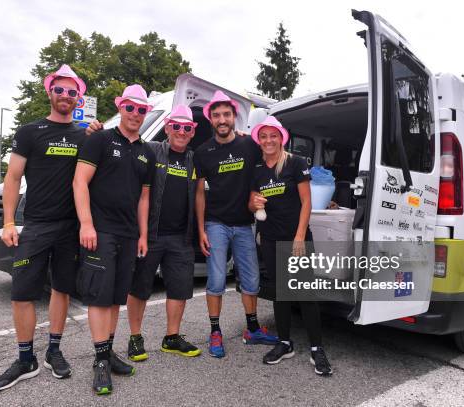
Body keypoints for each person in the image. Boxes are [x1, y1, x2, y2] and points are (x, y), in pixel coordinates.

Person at [0, 64, 86, 391]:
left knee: (62, 289)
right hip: (35, 225)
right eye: (59, 89)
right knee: (22, 292)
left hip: (69, 228)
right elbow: (13, 178)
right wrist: (7, 221)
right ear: (50, 92)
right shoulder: (29, 132)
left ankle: (54, 351)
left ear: (78, 97)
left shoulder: (84, 135)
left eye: (71, 91)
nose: (65, 95)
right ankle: (25, 358)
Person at [86, 105, 202, 361]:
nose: (181, 132)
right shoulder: (151, 150)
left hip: (182, 236)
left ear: (193, 132)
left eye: (187, 128)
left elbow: (203, 190)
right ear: (168, 128)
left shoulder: (196, 159)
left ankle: (172, 337)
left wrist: (241, 136)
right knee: (139, 288)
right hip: (149, 234)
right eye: (176, 126)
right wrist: (94, 132)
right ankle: (135, 338)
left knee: (180, 288)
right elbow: (124, 147)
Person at [73, 84, 156, 395]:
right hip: (100, 231)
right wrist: (86, 224)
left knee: (116, 298)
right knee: (99, 296)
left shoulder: (146, 152)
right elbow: (80, 181)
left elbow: (144, 199)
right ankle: (99, 361)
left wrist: (143, 234)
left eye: (141, 109)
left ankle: (107, 353)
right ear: (121, 107)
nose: (135, 114)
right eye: (130, 107)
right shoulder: (101, 139)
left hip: (128, 234)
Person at [194, 90, 278, 358]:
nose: (222, 119)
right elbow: (198, 193)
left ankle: (252, 329)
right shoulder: (203, 152)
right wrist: (200, 230)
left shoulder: (249, 146)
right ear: (210, 119)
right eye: (216, 115)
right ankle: (215, 331)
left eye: (226, 114)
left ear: (234, 117)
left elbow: (269, 161)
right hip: (216, 224)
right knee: (216, 280)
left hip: (245, 224)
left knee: (251, 279)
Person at [248, 115, 333, 376]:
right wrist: (255, 205)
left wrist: (299, 237)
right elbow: (251, 204)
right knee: (281, 294)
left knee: (305, 295)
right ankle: (285, 343)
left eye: (273, 135)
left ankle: (317, 348)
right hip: (270, 239)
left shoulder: (295, 163)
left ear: (281, 138)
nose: (268, 140)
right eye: (263, 136)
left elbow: (307, 202)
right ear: (259, 141)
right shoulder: (257, 170)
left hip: (296, 239)